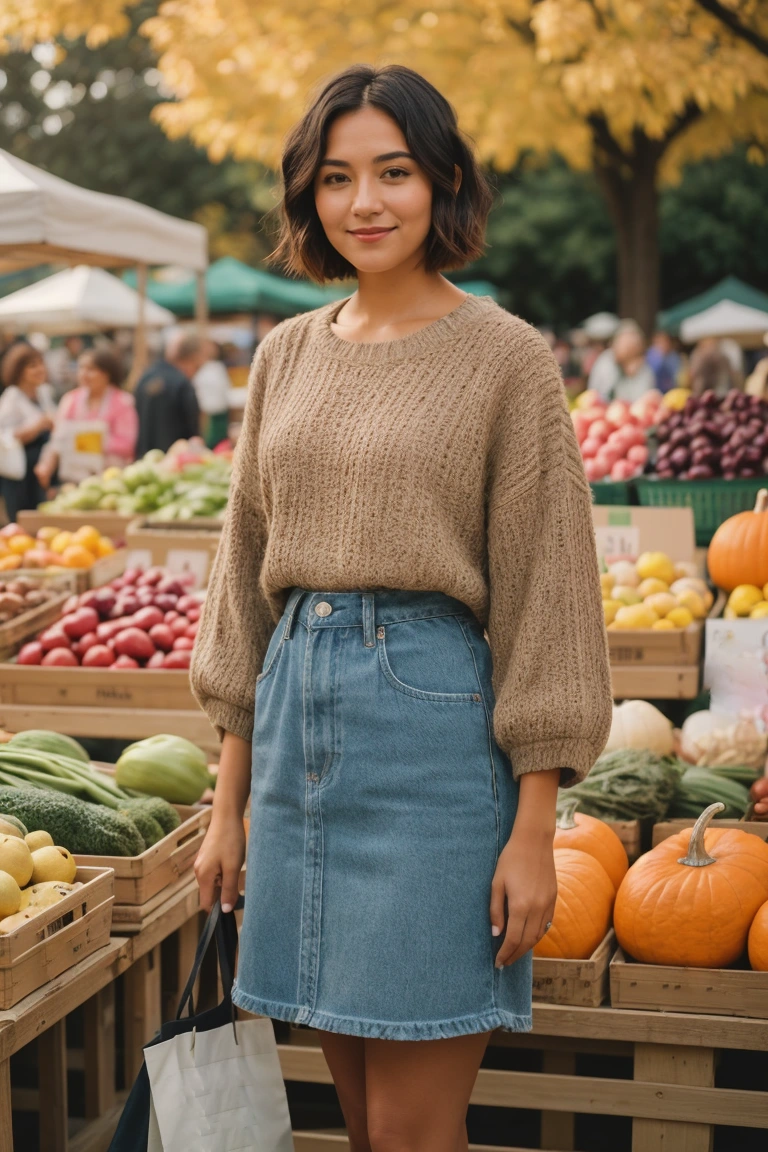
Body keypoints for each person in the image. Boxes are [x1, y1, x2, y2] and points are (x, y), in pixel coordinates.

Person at [189, 64, 612, 1150]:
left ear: (445, 185)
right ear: (308, 196)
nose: (364, 202)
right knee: (368, 1127)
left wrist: (533, 831)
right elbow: (243, 582)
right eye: (336, 178)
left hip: (431, 742)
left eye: (394, 172)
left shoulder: (508, 358)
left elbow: (549, 597)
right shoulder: (284, 355)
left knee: (418, 1134)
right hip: (292, 738)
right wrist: (228, 803)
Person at [35, 346, 138, 489]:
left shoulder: (122, 402)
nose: (84, 374)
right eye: (81, 368)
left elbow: (128, 443)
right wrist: (46, 465)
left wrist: (90, 441)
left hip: (111, 480)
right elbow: (58, 439)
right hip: (73, 478)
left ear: (106, 373)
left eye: (91, 369)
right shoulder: (70, 400)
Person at [0, 343, 55, 520]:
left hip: (41, 468)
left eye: (40, 364)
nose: (39, 369)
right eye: (32, 366)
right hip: (19, 471)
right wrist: (37, 426)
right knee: (22, 518)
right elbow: (6, 435)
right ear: (19, 370)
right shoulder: (12, 397)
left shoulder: (44, 393)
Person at [133, 332, 204, 456]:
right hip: (175, 463)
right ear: (192, 358)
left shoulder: (145, 378)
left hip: (143, 460)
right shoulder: (182, 384)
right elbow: (193, 430)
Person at [588, 321, 656, 403]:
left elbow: (644, 399)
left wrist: (632, 375)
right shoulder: (606, 361)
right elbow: (600, 393)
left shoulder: (644, 368)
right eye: (625, 344)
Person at [192, 340, 231, 449]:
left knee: (222, 445)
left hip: (221, 413)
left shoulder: (218, 367)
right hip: (207, 415)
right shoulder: (200, 369)